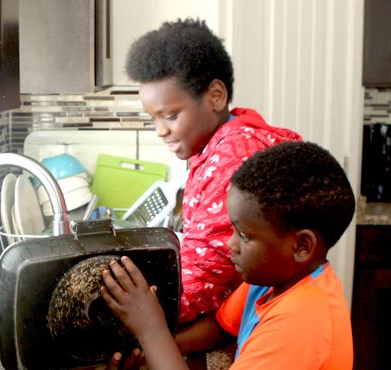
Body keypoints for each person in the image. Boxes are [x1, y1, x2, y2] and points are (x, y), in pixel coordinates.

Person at [101, 141, 355, 370]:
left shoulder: (301, 326)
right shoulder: (273, 281)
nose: (230, 244)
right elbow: (220, 328)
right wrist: (154, 353)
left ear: (301, 246)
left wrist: (150, 329)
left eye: (244, 235)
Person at [124, 18, 303, 325]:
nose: (160, 130)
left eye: (169, 115)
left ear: (215, 96)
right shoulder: (226, 140)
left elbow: (210, 273)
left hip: (246, 322)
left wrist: (141, 311)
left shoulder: (233, 155)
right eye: (153, 118)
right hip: (237, 312)